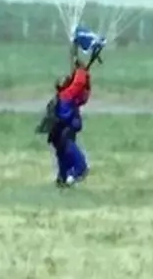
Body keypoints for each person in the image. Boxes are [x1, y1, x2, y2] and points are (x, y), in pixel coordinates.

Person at [38, 26, 104, 186]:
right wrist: (80, 69)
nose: (66, 78)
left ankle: (71, 175)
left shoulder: (69, 96)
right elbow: (78, 83)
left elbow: (81, 89)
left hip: (62, 132)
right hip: (63, 132)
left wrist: (76, 61)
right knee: (71, 158)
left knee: (64, 154)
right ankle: (67, 177)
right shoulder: (67, 95)